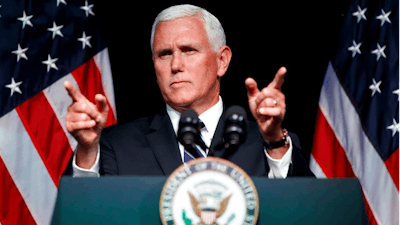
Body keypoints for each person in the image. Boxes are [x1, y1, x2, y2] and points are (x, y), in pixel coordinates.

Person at [63, 4, 313, 178]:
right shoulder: (113, 145)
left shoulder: (270, 141)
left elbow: (306, 210)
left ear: (222, 61)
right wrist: (86, 150)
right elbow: (83, 213)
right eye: (164, 54)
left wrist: (273, 141)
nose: (175, 65)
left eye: (189, 50)